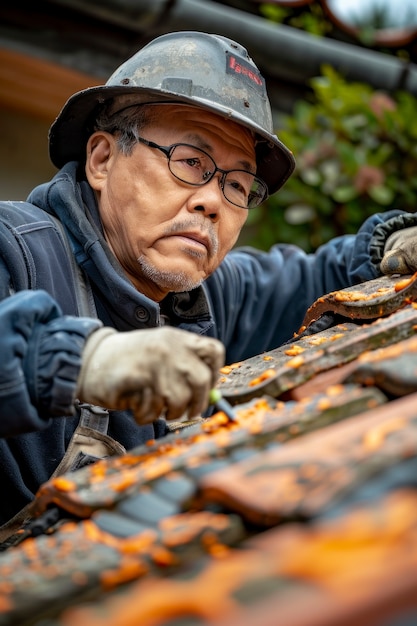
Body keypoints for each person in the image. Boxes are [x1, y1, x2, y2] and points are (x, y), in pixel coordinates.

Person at [0, 30, 416, 531]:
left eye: (237, 184)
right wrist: (81, 362)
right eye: (190, 162)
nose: (212, 202)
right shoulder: (15, 250)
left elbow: (314, 279)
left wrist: (389, 245)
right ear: (102, 160)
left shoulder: (200, 300)